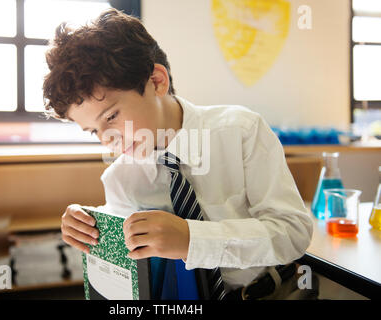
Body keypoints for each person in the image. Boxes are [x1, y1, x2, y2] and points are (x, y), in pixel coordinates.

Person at [44, 8, 317, 300]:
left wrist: (192, 240)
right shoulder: (120, 178)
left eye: (111, 117)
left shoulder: (240, 132)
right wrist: (92, 227)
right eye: (94, 131)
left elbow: (293, 233)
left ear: (157, 82)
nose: (109, 141)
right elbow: (134, 269)